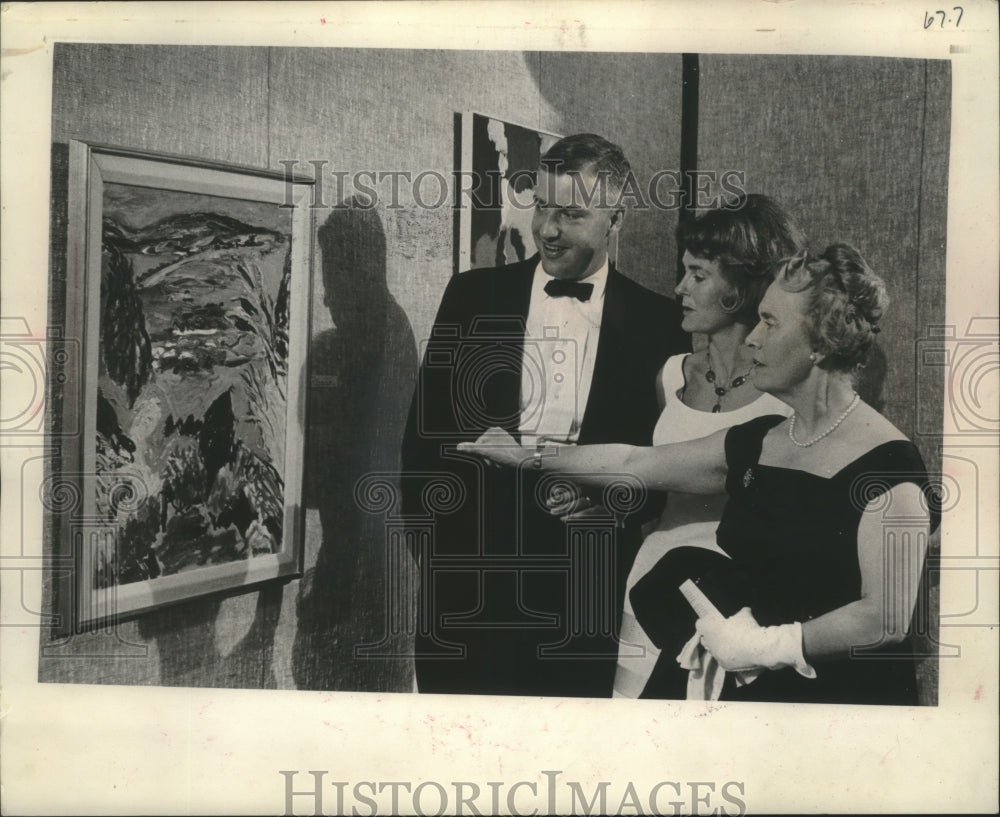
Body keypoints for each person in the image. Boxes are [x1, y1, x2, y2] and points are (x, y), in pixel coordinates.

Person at [460, 244, 938, 705]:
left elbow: (886, 616)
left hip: (836, 706)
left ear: (821, 339)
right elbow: (635, 463)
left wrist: (765, 647)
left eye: (770, 322)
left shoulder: (888, 463)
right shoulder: (763, 439)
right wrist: (530, 457)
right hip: (745, 685)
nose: (752, 337)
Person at [401, 133, 689, 697]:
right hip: (467, 596)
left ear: (616, 219)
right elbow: (422, 445)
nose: (548, 229)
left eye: (571, 214)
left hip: (586, 592)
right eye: (541, 208)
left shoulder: (660, 323)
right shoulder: (471, 295)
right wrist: (438, 562)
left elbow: (670, 468)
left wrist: (607, 500)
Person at [590, 195, 802, 699]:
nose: (679, 288)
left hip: (740, 600)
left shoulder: (789, 392)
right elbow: (646, 476)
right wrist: (594, 498)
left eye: (698, 275)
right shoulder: (669, 375)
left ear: (740, 287)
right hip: (650, 581)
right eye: (683, 272)